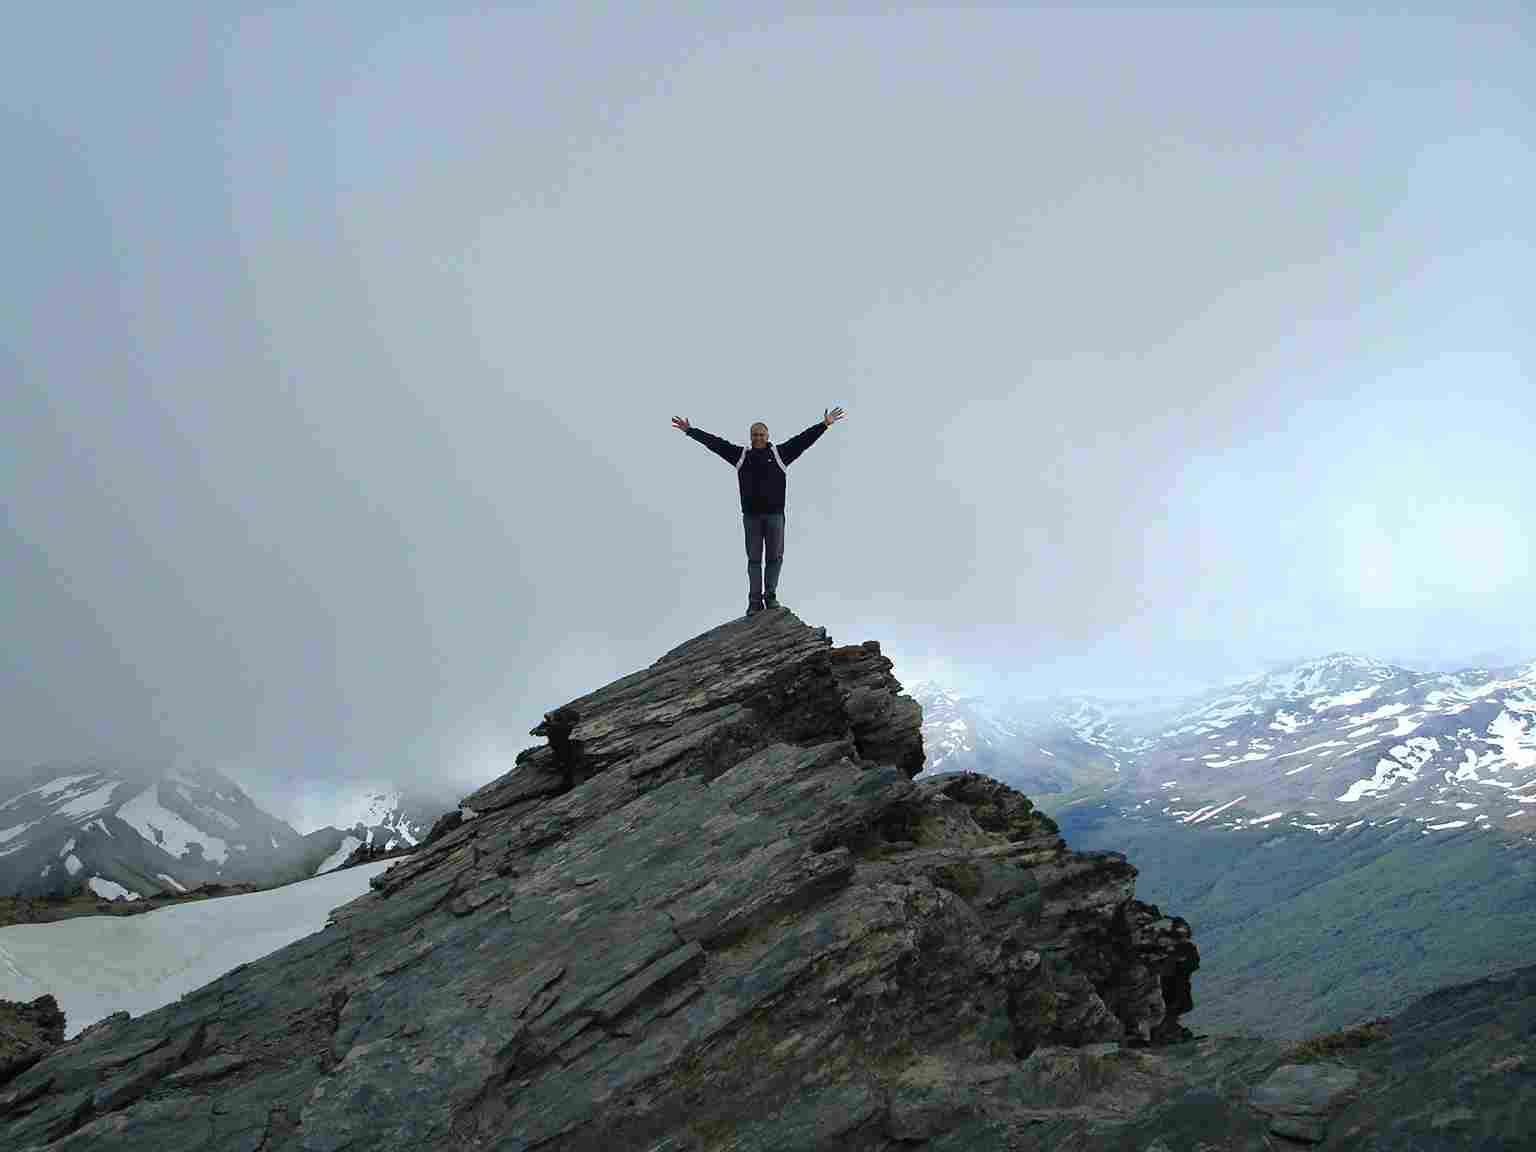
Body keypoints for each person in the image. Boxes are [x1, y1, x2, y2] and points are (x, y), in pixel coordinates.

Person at [672, 407, 846, 617]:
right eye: (754, 434)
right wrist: (690, 431)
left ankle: (770, 597)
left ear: (768, 436)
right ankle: (754, 602)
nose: (758, 437)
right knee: (754, 559)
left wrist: (824, 424)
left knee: (775, 557)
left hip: (775, 516)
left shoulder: (780, 454)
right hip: (751, 517)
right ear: (750, 437)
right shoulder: (741, 456)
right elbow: (715, 444)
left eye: (762, 434)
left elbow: (803, 440)